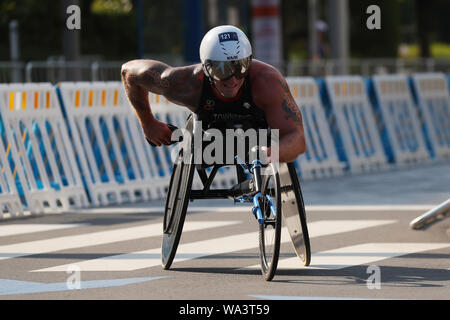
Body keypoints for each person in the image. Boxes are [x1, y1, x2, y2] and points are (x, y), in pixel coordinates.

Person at [121, 25, 306, 163]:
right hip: (209, 134)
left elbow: (297, 140)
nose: (232, 78)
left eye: (240, 67)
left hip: (259, 134)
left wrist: (269, 153)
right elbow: (128, 72)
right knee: (195, 154)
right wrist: (148, 122)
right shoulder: (184, 83)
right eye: (221, 70)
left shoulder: (267, 82)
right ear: (206, 68)